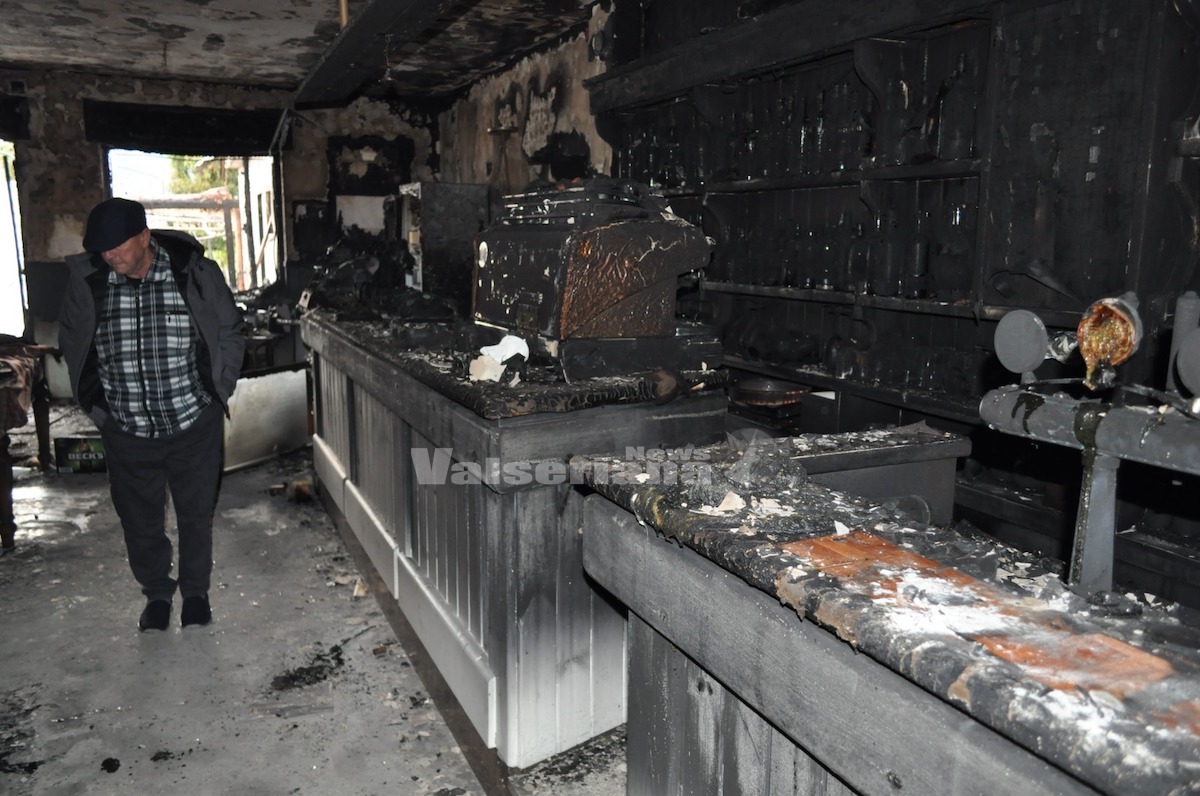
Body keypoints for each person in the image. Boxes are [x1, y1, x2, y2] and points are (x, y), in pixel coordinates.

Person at [59, 198, 245, 632]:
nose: (110, 256)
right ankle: (157, 595)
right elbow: (72, 340)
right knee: (139, 520)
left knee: (195, 514)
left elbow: (230, 329)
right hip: (127, 428)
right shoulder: (90, 282)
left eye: (118, 247)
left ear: (144, 237)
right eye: (102, 250)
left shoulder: (194, 273)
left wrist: (220, 386)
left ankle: (195, 594)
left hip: (191, 421)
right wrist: (97, 407)